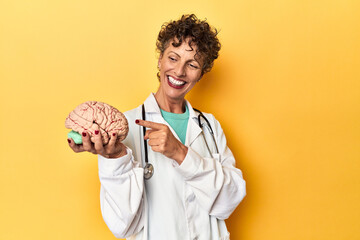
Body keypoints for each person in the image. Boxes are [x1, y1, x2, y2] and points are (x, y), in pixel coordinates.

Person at [68, 14, 246, 240]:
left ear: (201, 74)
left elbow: (228, 202)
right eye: (173, 58)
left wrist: (180, 153)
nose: (180, 72)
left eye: (192, 64)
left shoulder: (210, 126)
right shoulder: (126, 128)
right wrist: (116, 158)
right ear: (160, 59)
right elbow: (123, 226)